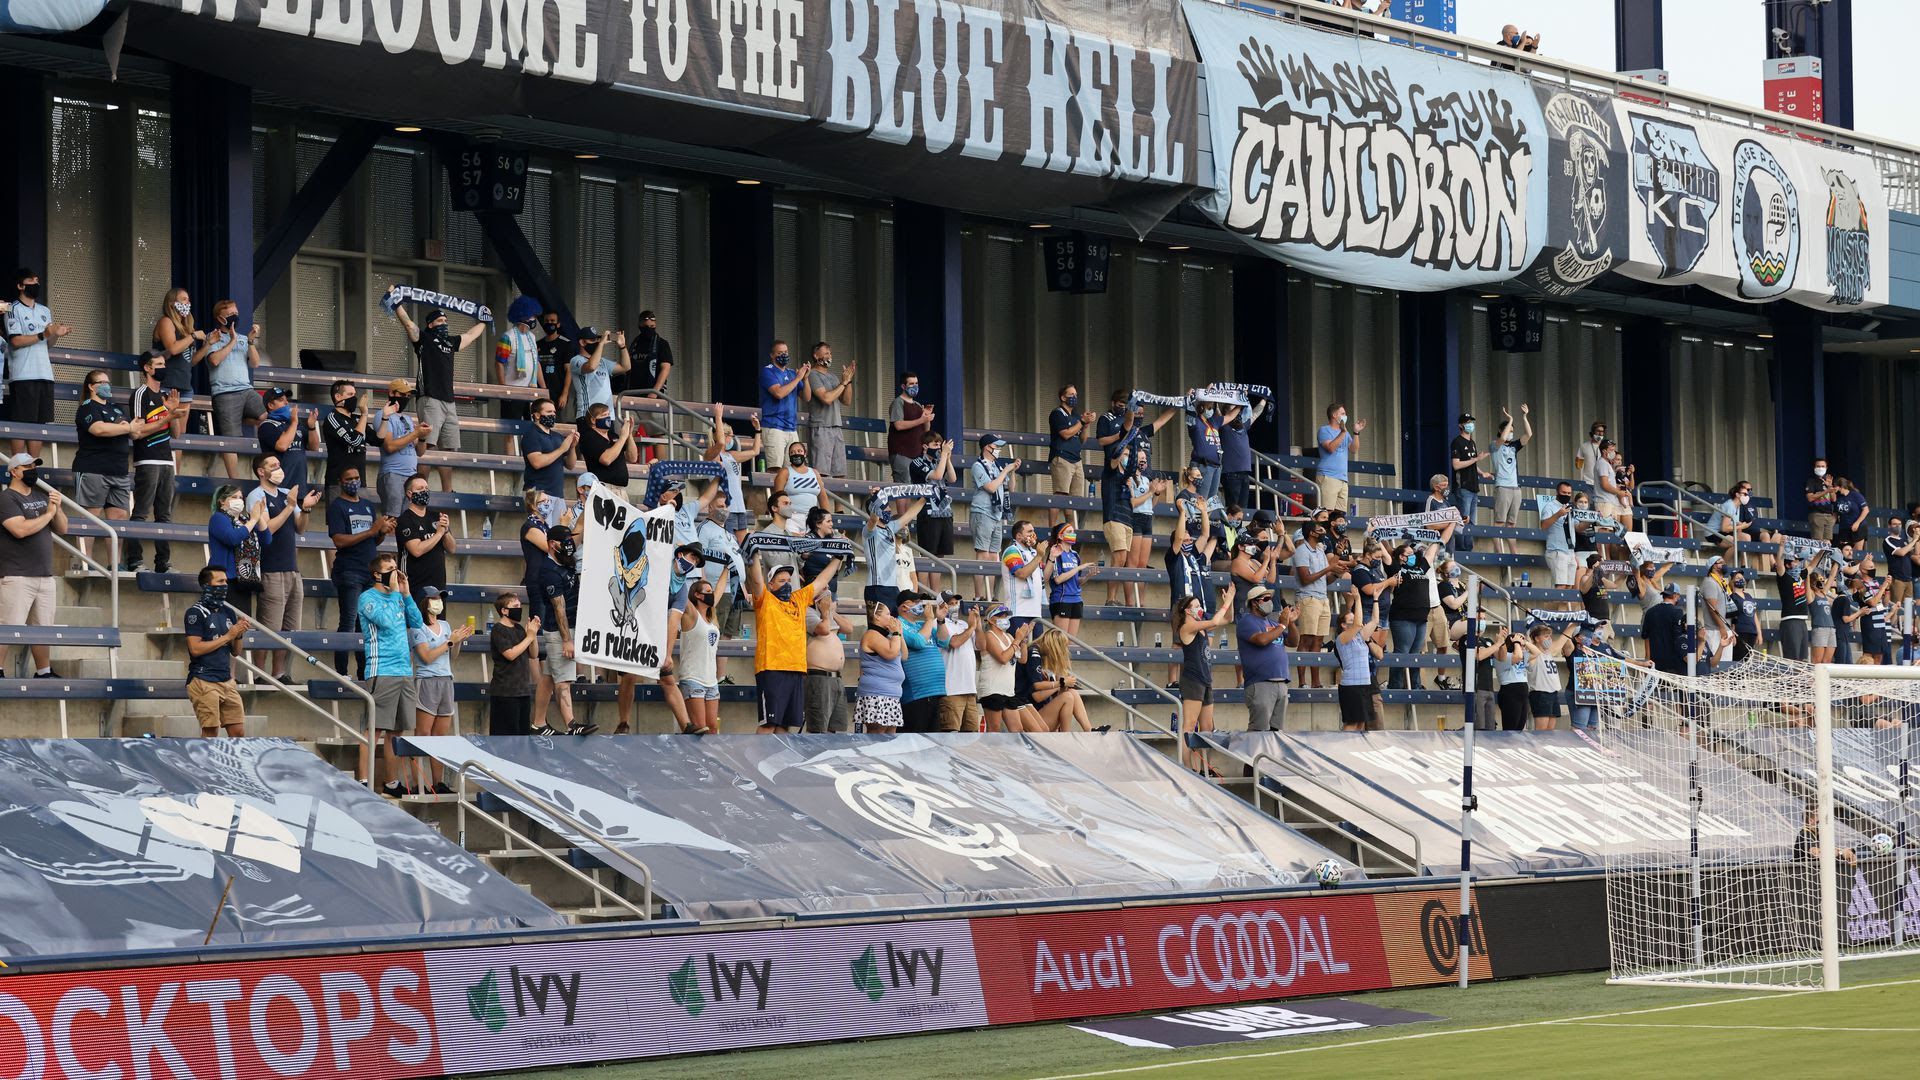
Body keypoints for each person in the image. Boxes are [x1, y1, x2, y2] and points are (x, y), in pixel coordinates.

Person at [390, 296, 486, 493]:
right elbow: (408, 324)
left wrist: (485, 320)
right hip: (430, 398)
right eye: (440, 321)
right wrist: (396, 303)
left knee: (449, 449)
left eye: (445, 322)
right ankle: (420, 488)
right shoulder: (424, 338)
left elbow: (470, 335)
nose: (444, 324)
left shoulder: (450, 342)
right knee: (429, 446)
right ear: (430, 324)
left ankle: (447, 490)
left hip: (449, 402)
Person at [245, 454, 322, 680]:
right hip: (271, 568)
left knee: (290, 628)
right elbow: (266, 529)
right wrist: (289, 507)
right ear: (261, 471)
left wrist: (305, 509)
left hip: (292, 568)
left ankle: (279, 672)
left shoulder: (285, 493)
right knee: (269, 627)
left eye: (279, 464)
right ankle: (260, 673)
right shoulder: (256, 496)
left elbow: (300, 528)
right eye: (273, 465)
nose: (278, 468)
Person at [72, 369, 160, 565]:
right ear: (91, 386)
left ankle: (115, 565)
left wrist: (166, 417)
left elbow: (135, 431)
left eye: (108, 382)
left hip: (119, 471)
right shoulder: (87, 407)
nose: (107, 385)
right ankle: (84, 563)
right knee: (90, 519)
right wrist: (127, 427)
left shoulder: (117, 409)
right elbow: (99, 429)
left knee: (119, 520)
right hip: (93, 469)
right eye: (102, 382)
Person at [747, 551, 842, 733]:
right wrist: (754, 556)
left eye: (789, 581)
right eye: (782, 581)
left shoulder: (797, 599)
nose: (787, 584)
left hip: (797, 668)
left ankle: (779, 761)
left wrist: (838, 559)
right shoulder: (765, 599)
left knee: (785, 724)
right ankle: (756, 761)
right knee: (769, 724)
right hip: (772, 667)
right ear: (771, 584)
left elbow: (821, 582)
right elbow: (757, 582)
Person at [360, 552, 425, 794]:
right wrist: (397, 593)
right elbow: (386, 622)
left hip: (404, 670)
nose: (395, 573)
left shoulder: (400, 596)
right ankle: (364, 781)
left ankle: (391, 781)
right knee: (375, 729)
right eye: (390, 568)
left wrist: (406, 594)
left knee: (396, 730)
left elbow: (417, 622)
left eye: (396, 567)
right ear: (377, 573)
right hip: (382, 669)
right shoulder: (367, 597)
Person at [0, 453, 65, 676]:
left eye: (34, 465)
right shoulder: (7, 498)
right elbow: (19, 530)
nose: (32, 470)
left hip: (45, 574)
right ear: (14, 472)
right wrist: (48, 514)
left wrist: (58, 508)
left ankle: (44, 671)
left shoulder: (40, 495)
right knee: (8, 626)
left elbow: (63, 529)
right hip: (17, 573)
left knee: (43, 628)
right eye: (26, 466)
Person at [408, 587, 473, 794]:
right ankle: (418, 781)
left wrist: (458, 641)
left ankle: (438, 782)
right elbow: (426, 657)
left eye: (440, 598)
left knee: (440, 736)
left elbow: (453, 655)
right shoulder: (417, 628)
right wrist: (450, 641)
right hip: (427, 681)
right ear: (425, 601)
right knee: (423, 734)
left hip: (446, 680)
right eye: (434, 598)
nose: (438, 602)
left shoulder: (445, 625)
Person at [529, 523, 591, 736]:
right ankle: (571, 724)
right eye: (565, 542)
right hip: (559, 631)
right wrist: (567, 640)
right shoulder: (549, 571)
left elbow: (581, 533)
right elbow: (559, 609)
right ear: (552, 544)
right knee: (564, 678)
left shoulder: (564, 558)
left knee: (548, 677)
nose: (569, 544)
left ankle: (538, 723)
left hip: (572, 625)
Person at [327, 465, 389, 678]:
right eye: (349, 478)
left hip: (369, 572)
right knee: (348, 620)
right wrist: (371, 530)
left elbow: (373, 539)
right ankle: (341, 672)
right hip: (349, 571)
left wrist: (381, 533)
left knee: (366, 624)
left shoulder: (368, 506)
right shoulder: (337, 507)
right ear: (341, 481)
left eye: (357, 477)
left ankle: (365, 672)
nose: (354, 481)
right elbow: (339, 540)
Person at [5, 268, 70, 458]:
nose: (35, 283)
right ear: (20, 285)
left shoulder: (44, 310)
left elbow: (48, 342)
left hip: (45, 373)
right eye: (30, 281)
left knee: (39, 424)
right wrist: (45, 334)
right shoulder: (12, 309)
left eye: (36, 280)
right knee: (21, 423)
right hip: (24, 374)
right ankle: (18, 467)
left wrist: (55, 335)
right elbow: (15, 341)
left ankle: (32, 467)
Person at [125, 351, 178, 573]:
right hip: (147, 459)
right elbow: (136, 432)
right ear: (147, 368)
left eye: (164, 363)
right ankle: (135, 560)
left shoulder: (165, 396)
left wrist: (173, 411)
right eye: (158, 364)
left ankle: (162, 562)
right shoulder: (140, 393)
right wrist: (166, 416)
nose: (163, 367)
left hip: (167, 460)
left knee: (164, 515)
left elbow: (175, 434)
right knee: (141, 511)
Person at [1173, 584, 1235, 771]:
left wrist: (1228, 603)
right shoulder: (1187, 626)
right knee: (1189, 726)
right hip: (1193, 679)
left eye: (1200, 604)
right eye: (1196, 605)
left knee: (1207, 728)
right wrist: (1229, 599)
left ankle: (1204, 769)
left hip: (1206, 679)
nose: (1199, 608)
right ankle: (1189, 767)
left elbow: (1228, 619)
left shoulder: (1200, 627)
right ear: (1187, 610)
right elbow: (1215, 622)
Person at [184, 566, 251, 738]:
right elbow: (195, 648)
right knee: (210, 732)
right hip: (203, 679)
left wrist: (238, 636)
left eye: (226, 582)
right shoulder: (195, 613)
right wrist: (228, 635)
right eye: (220, 582)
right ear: (207, 585)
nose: (224, 586)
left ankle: (232, 765)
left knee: (238, 732)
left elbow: (236, 652)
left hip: (226, 680)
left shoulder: (228, 611)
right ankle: (205, 765)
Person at [203, 299, 263, 479]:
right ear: (220, 318)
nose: (234, 317)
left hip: (246, 390)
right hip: (224, 393)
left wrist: (251, 342)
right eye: (230, 314)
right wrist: (231, 341)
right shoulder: (212, 338)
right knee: (232, 440)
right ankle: (235, 481)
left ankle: (267, 464)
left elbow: (255, 363)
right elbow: (214, 360)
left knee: (271, 417)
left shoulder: (245, 339)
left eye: (235, 313)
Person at [968, 433, 1021, 600]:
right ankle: (979, 595)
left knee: (993, 555)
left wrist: (1012, 472)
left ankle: (990, 595)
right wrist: (1006, 470)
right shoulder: (978, 466)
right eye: (995, 446)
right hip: (982, 511)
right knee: (982, 554)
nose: (998, 449)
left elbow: (1010, 488)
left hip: (997, 514)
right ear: (987, 447)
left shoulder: (997, 466)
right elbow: (990, 487)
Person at [206, 482, 268, 618]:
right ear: (222, 501)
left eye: (241, 498)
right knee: (227, 623)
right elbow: (232, 538)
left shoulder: (245, 520)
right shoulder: (218, 518)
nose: (239, 501)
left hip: (244, 580)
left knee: (241, 624)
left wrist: (260, 517)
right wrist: (253, 521)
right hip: (225, 578)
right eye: (234, 497)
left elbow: (266, 540)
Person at [1238, 586, 1294, 732]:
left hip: (1281, 681)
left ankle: (1271, 755)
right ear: (1255, 603)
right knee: (1259, 731)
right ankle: (1252, 755)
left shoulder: (1273, 623)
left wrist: (1291, 623)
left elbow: (1293, 642)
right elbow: (1261, 640)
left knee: (1277, 731)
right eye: (1266, 599)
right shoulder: (1247, 621)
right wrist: (1283, 625)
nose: (1270, 603)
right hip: (1260, 682)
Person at [396, 474, 454, 612]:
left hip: (438, 585)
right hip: (415, 585)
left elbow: (452, 548)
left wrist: (445, 532)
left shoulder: (436, 516)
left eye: (427, 488)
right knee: (417, 627)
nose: (425, 491)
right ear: (410, 494)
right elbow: (416, 550)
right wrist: (438, 533)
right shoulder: (405, 520)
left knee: (438, 627)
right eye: (420, 488)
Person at [1291, 517, 1339, 687]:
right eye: (1320, 530)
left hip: (1322, 598)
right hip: (1307, 598)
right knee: (1306, 639)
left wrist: (1337, 572)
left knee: (1318, 641)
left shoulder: (1320, 551)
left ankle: (1316, 682)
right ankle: (1303, 682)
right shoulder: (1301, 551)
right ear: (1311, 533)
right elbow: (1305, 579)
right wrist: (1329, 568)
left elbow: (1327, 579)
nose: (1323, 532)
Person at [704, 400, 760, 542]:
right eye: (730, 435)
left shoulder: (732, 455)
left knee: (742, 549)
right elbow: (721, 442)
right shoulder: (711, 454)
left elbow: (755, 451)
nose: (732, 439)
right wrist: (718, 417)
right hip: (725, 506)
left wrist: (757, 430)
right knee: (728, 546)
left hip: (739, 506)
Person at [1386, 540, 1438, 689]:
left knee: (1416, 653)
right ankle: (1395, 685)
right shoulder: (1396, 568)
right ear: (1401, 557)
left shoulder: (1420, 567)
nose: (1413, 555)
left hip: (1421, 618)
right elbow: (1386, 554)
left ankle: (1415, 685)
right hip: (1403, 617)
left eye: (1413, 553)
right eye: (1409, 554)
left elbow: (1432, 550)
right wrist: (1378, 533)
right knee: (1402, 651)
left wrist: (1437, 537)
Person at [151, 286, 201, 439]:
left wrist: (208, 345)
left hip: (184, 385)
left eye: (188, 300)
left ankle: (176, 465)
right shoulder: (166, 321)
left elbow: (190, 361)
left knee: (180, 436)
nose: (188, 303)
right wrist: (193, 336)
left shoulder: (186, 328)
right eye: (183, 299)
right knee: (164, 430)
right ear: (172, 303)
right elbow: (172, 349)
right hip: (166, 383)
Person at [908, 433, 956, 592]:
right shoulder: (917, 462)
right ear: (925, 446)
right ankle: (923, 592)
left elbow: (953, 478)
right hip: (928, 511)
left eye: (940, 445)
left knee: (939, 556)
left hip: (944, 511)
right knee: (927, 555)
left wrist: (947, 457)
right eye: (935, 445)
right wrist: (943, 455)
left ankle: (936, 593)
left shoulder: (940, 460)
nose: (938, 448)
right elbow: (936, 475)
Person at [897, 592, 950, 732]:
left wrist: (940, 620)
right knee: (915, 741)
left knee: (932, 743)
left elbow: (944, 641)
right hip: (916, 695)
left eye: (920, 601)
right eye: (915, 601)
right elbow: (918, 642)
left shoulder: (922, 624)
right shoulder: (898, 624)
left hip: (935, 692)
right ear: (903, 607)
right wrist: (929, 619)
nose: (919, 604)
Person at [488, 592, 539, 736]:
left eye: (520, 605)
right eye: (515, 606)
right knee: (505, 737)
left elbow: (533, 654)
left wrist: (532, 635)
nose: (519, 608)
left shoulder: (519, 629)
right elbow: (510, 654)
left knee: (522, 735)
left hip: (522, 690)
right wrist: (529, 637)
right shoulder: (498, 629)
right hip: (505, 692)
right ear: (504, 610)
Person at [375, 379, 428, 517]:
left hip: (411, 476)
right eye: (402, 394)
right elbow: (389, 446)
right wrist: (415, 433)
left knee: (408, 519)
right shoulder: (382, 415)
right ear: (391, 393)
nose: (406, 398)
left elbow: (420, 452)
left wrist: (422, 436)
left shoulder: (408, 419)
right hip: (393, 473)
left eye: (407, 395)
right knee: (392, 518)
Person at [799, 340, 852, 478]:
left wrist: (849, 381)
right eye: (826, 352)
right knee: (821, 474)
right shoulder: (813, 375)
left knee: (840, 475)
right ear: (816, 356)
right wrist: (843, 383)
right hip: (821, 427)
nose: (829, 355)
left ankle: (838, 501)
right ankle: (822, 500)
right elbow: (826, 399)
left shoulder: (833, 377)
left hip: (836, 426)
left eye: (830, 353)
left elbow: (846, 401)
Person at [804, 590, 853, 734]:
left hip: (836, 678)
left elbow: (848, 628)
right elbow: (824, 629)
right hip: (819, 677)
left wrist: (831, 612)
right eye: (824, 592)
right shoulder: (808, 612)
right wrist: (825, 613)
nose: (828, 595)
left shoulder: (828, 614)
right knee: (818, 729)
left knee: (838, 729)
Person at [255, 387, 319, 497]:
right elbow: (282, 446)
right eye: (281, 400)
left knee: (302, 514)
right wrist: (294, 422)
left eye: (286, 399)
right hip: (279, 488)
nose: (286, 402)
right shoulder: (267, 426)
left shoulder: (295, 424)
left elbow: (314, 447)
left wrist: (312, 427)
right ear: (270, 405)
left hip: (300, 487)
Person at [1029, 627, 1093, 733]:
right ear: (1055, 647)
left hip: (1044, 713)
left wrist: (1063, 684)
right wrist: (1060, 683)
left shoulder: (1048, 662)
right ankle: (1065, 735)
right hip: (1034, 717)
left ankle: (1089, 730)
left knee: (1072, 693)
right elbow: (1037, 697)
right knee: (1067, 697)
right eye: (1062, 648)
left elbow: (1058, 695)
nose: (1064, 652)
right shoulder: (1035, 656)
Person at [855, 601, 907, 734]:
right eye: (888, 614)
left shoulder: (888, 637)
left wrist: (899, 633)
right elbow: (891, 653)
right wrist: (895, 634)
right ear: (877, 617)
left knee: (890, 738)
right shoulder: (871, 634)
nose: (891, 617)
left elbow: (904, 655)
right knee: (877, 734)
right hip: (877, 694)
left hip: (891, 695)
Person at [1047, 385, 1094, 527]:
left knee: (1074, 500)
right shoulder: (1057, 413)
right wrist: (1081, 422)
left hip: (1077, 459)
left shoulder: (1075, 416)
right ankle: (1051, 529)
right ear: (1063, 397)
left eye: (1076, 394)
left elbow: (1083, 439)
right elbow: (1065, 434)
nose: (1075, 397)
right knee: (1060, 494)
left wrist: (1086, 425)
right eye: (1071, 394)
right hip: (1062, 457)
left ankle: (1071, 531)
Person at [1488, 404, 1531, 554]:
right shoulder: (1494, 445)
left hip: (1515, 487)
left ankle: (1514, 553)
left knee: (1511, 524)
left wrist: (1524, 417)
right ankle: (1499, 552)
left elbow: (1528, 435)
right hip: (1503, 486)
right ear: (1501, 430)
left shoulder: (1514, 446)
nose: (1511, 433)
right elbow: (1503, 438)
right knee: (1499, 522)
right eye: (1509, 430)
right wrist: (1510, 419)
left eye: (1513, 430)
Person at [935, 595, 982, 732]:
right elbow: (954, 643)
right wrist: (972, 627)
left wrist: (977, 625)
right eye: (950, 603)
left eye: (956, 602)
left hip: (970, 689)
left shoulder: (964, 625)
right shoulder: (937, 623)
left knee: (971, 736)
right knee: (950, 734)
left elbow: (981, 645)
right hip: (951, 690)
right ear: (941, 605)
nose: (955, 605)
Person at [1334, 602, 1383, 732]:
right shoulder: (1341, 638)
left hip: (1365, 684)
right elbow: (1357, 624)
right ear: (1343, 625)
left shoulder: (1361, 637)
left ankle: (1353, 748)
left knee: (1361, 723)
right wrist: (1357, 598)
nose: (1356, 621)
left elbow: (1375, 620)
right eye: (1351, 620)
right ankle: (1344, 750)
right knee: (1352, 723)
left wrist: (1376, 600)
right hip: (1351, 685)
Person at [321, 381, 370, 504]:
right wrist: (364, 414)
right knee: (339, 520)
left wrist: (385, 417)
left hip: (360, 482)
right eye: (350, 394)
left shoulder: (356, 419)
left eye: (354, 394)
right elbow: (355, 441)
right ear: (338, 397)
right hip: (338, 483)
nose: (354, 398)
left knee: (365, 522)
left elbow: (379, 439)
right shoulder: (333, 417)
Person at [568, 326, 630, 423]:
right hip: (588, 415)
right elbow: (591, 367)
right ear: (582, 342)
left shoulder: (603, 362)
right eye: (593, 340)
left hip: (608, 415)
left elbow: (625, 367)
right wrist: (601, 344)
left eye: (597, 339)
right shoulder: (576, 360)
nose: (596, 342)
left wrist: (622, 346)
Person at [774, 439, 836, 537]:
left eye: (799, 451)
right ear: (789, 456)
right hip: (791, 517)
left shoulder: (815, 473)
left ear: (805, 453)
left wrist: (828, 519)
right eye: (792, 452)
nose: (796, 454)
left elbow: (823, 496)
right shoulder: (785, 472)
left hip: (812, 518)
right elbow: (777, 497)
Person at [576, 402, 639, 496]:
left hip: (621, 491)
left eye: (608, 415)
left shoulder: (613, 436)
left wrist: (629, 435)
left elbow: (633, 458)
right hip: (604, 489)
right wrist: (622, 437)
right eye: (604, 415)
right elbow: (606, 459)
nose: (608, 418)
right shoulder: (589, 437)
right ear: (593, 420)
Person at [494, 301, 543, 419]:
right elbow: (499, 363)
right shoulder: (507, 337)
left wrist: (543, 390)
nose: (534, 319)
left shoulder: (532, 337)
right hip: (513, 391)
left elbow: (536, 363)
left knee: (532, 428)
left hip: (531, 391)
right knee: (510, 429)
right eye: (532, 316)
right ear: (522, 316)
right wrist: (504, 389)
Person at [976, 604, 1021, 732]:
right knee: (994, 729)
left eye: (1006, 615)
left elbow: (1022, 659)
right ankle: (988, 752)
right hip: (992, 689)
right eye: (1000, 615)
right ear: (990, 619)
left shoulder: (1009, 637)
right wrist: (1017, 640)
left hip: (1008, 690)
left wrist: (1022, 640)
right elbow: (1002, 658)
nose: (1004, 618)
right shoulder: (989, 635)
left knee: (1017, 730)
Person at [1047, 524, 1097, 638]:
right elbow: (1058, 579)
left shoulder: (1075, 555)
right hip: (1062, 599)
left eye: (1073, 531)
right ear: (1060, 535)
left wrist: (1087, 576)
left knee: (1071, 642)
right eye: (1069, 531)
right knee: (1061, 641)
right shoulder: (1056, 553)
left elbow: (1076, 581)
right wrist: (1079, 568)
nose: (1073, 534)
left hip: (1076, 599)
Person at [521, 397, 576, 501]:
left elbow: (570, 465)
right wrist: (562, 449)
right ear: (537, 415)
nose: (553, 414)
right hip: (538, 493)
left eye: (554, 412)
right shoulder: (531, 435)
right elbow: (536, 462)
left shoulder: (557, 436)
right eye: (549, 411)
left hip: (558, 494)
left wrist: (572, 447)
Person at [1219, 393, 1266, 511]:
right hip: (1231, 474)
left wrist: (1265, 399)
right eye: (1234, 410)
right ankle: (1230, 529)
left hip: (1245, 474)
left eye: (1238, 411)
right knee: (1233, 509)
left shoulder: (1244, 427)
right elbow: (1216, 412)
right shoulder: (1223, 427)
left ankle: (1238, 529)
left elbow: (1256, 413)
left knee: (1242, 511)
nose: (1238, 413)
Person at [1525, 622, 1575, 731]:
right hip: (1540, 693)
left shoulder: (1548, 652)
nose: (1549, 639)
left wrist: (1572, 626)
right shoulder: (1532, 654)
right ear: (1537, 639)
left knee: (1550, 729)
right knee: (1541, 731)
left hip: (1553, 692)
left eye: (1550, 636)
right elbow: (1534, 649)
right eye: (1546, 636)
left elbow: (1562, 641)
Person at [1002, 519, 1048, 636]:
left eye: (1033, 531)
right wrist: (1039, 556)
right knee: (1019, 652)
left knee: (1035, 653)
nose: (1033, 535)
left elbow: (1043, 580)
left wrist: (1051, 557)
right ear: (1018, 536)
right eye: (1029, 532)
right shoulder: (1011, 550)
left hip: (1035, 613)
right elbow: (1021, 574)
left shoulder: (1033, 553)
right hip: (1018, 613)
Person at [1316, 403, 1364, 513]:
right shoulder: (1324, 430)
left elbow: (1354, 449)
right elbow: (1330, 448)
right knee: (1326, 512)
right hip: (1328, 475)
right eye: (1342, 413)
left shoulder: (1345, 433)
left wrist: (1356, 432)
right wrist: (1343, 432)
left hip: (1343, 478)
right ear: (1334, 415)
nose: (1345, 416)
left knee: (1340, 515)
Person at [1541, 480, 1585, 599]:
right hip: (1557, 550)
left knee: (1569, 589)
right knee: (1560, 587)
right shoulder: (1550, 506)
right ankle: (1550, 614)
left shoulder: (1570, 508)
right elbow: (1543, 526)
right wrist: (1558, 514)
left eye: (1569, 493)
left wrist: (1590, 520)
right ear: (1557, 492)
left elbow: (1578, 527)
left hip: (1570, 551)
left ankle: (1563, 615)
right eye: (1563, 492)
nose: (1566, 495)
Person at [888, 371, 934, 481]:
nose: (915, 386)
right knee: (904, 489)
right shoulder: (898, 403)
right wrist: (920, 420)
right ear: (903, 386)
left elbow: (926, 431)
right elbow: (898, 425)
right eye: (911, 384)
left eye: (916, 383)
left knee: (917, 490)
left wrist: (926, 418)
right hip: (902, 453)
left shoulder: (918, 405)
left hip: (917, 455)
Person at [1643, 584, 1692, 676]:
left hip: (1655, 662)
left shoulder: (1650, 612)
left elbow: (1646, 637)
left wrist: (1647, 658)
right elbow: (1678, 638)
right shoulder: (1677, 612)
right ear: (1675, 596)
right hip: (1673, 663)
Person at [1489, 626, 1531, 731]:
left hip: (1522, 693)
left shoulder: (1521, 654)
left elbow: (1537, 653)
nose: (1522, 647)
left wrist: (1525, 643)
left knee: (1520, 727)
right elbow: (1518, 657)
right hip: (1510, 692)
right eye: (1520, 644)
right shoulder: (1503, 656)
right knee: (1510, 727)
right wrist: (1517, 643)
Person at [630, 309, 674, 397]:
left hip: (654, 394)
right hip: (633, 392)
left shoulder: (662, 344)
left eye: (652, 326)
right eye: (646, 326)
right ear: (640, 325)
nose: (649, 329)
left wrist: (655, 391)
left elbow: (665, 368)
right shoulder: (635, 344)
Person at [536, 312, 572, 412]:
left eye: (552, 321)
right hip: (540, 392)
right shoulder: (537, 344)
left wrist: (564, 394)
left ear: (558, 324)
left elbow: (569, 370)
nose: (549, 323)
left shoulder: (566, 344)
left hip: (557, 394)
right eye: (547, 321)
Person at [1728, 572, 1761, 662]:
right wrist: (1733, 634)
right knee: (1739, 659)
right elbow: (1731, 618)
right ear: (1732, 581)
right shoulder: (1731, 597)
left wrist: (1759, 633)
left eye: (1742, 578)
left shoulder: (1748, 596)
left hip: (1751, 632)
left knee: (1748, 660)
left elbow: (1754, 615)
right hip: (1740, 632)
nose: (1741, 579)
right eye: (1738, 578)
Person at [1806, 459, 1838, 542]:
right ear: (1814, 467)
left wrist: (1830, 486)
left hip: (1828, 515)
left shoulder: (1828, 481)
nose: (1820, 468)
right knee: (1818, 542)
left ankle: (1825, 555)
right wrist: (1826, 491)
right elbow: (1810, 498)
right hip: (1817, 514)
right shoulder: (1811, 481)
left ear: (1826, 468)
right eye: (1818, 466)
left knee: (1827, 542)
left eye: (1822, 466)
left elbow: (1833, 499)